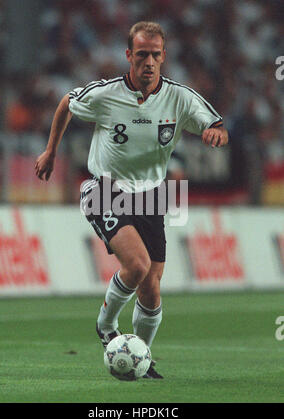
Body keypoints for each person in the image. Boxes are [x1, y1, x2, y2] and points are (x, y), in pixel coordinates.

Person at [35, 21, 229, 379]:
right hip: (105, 190)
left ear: (164, 56)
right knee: (138, 265)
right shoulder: (106, 94)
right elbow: (66, 103)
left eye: (156, 55)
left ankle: (142, 358)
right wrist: (50, 152)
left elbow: (213, 122)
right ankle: (106, 324)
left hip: (152, 196)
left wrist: (214, 131)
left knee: (152, 286)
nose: (149, 62)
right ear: (129, 56)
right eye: (142, 55)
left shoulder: (180, 97)